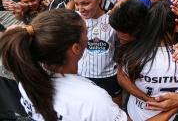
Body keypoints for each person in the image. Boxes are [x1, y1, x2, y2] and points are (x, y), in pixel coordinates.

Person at [0, 9, 129, 121]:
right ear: (76, 48)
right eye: (85, 32)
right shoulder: (93, 99)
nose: (88, 38)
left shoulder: (28, 78)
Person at [114, 1, 178, 120]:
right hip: (169, 115)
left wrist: (149, 100)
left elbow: (122, 78)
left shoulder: (132, 54)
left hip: (135, 112)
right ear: (177, 26)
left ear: (148, 26)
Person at [73, 0, 123, 107]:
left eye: (85, 3)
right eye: (77, 4)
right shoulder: (73, 20)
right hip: (82, 77)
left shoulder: (112, 20)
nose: (80, 8)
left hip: (108, 77)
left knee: (114, 112)